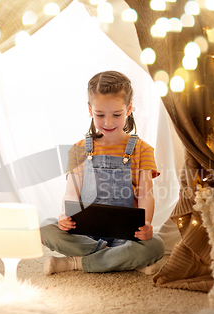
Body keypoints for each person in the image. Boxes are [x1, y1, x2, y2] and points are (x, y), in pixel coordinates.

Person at [40, 70, 165, 275]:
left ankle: (75, 263)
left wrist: (147, 224)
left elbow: (145, 194)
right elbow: (71, 193)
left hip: (125, 234)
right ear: (90, 110)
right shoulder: (79, 149)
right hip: (87, 234)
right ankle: (123, 258)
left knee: (156, 245)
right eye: (100, 115)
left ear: (129, 109)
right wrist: (65, 215)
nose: (108, 122)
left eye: (116, 115)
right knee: (45, 228)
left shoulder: (143, 149)